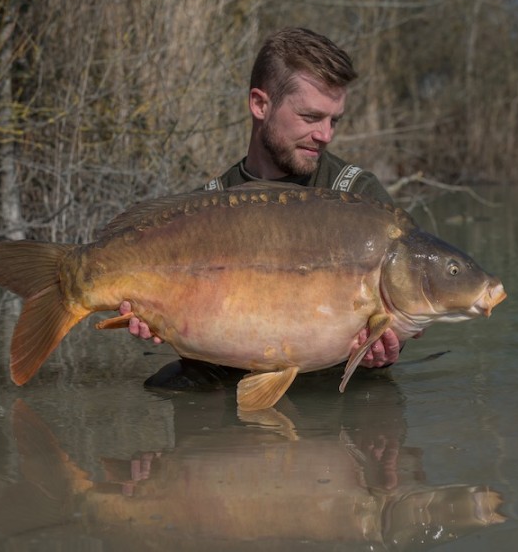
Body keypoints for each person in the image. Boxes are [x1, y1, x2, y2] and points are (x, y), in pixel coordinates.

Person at [123, 27, 404, 390]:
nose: (326, 135)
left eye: (334, 120)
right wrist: (154, 318)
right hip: (230, 383)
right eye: (310, 117)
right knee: (167, 386)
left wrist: (385, 353)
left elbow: (399, 320)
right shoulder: (205, 208)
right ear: (260, 104)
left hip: (329, 395)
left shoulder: (358, 198)